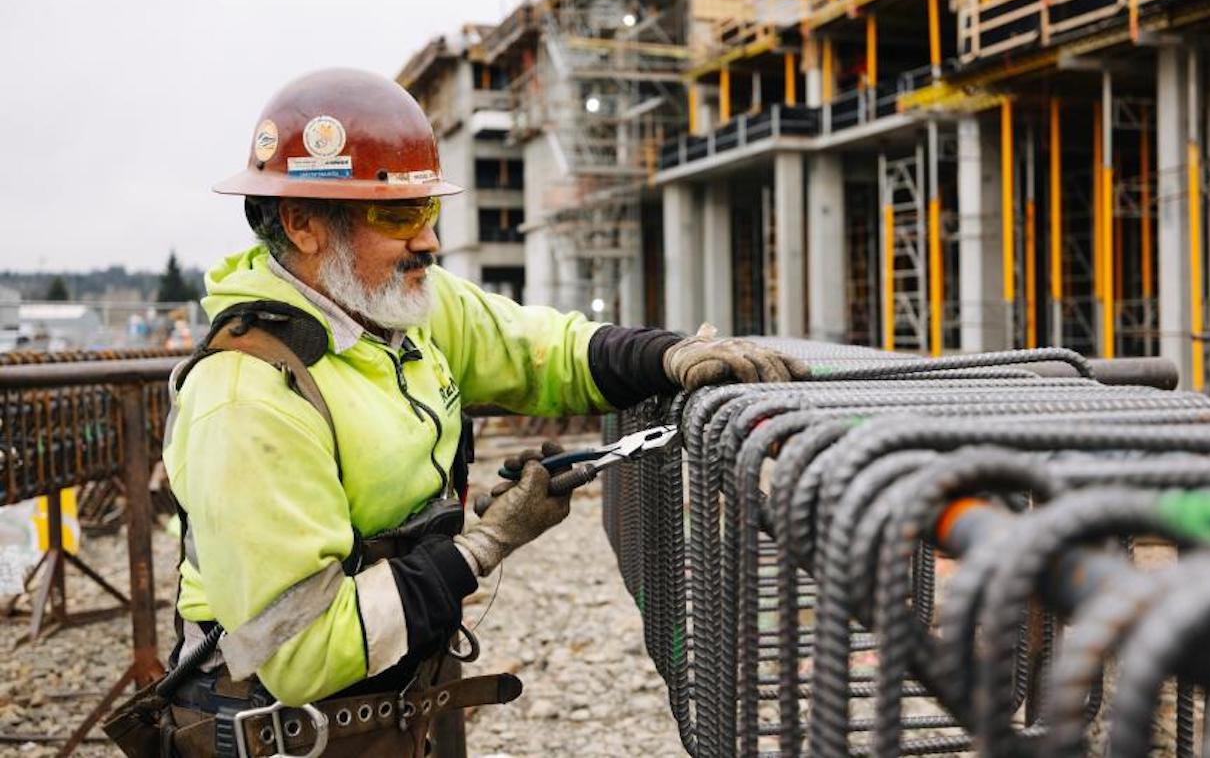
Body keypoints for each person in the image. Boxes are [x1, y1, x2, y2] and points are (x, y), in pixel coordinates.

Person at [152, 68, 805, 756]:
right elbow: (304, 651)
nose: (429, 242)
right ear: (304, 224)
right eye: (399, 216)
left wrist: (668, 358)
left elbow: (542, 350)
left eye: (429, 213)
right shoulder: (248, 398)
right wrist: (484, 545)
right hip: (288, 729)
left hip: (395, 705)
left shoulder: (401, 310)